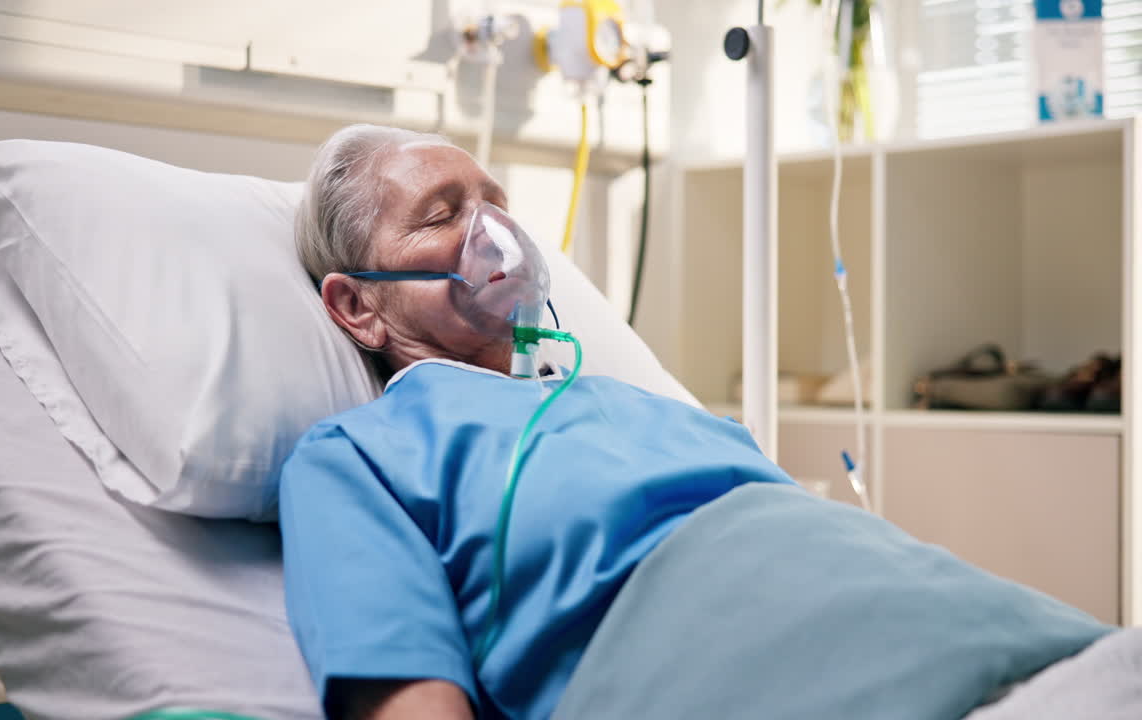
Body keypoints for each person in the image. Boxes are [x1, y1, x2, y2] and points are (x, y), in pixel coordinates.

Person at [279, 124, 1126, 720]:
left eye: (496, 204)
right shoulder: (361, 458)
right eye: (441, 214)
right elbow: (408, 694)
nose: (493, 233)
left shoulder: (624, 398)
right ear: (355, 306)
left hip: (1003, 635)